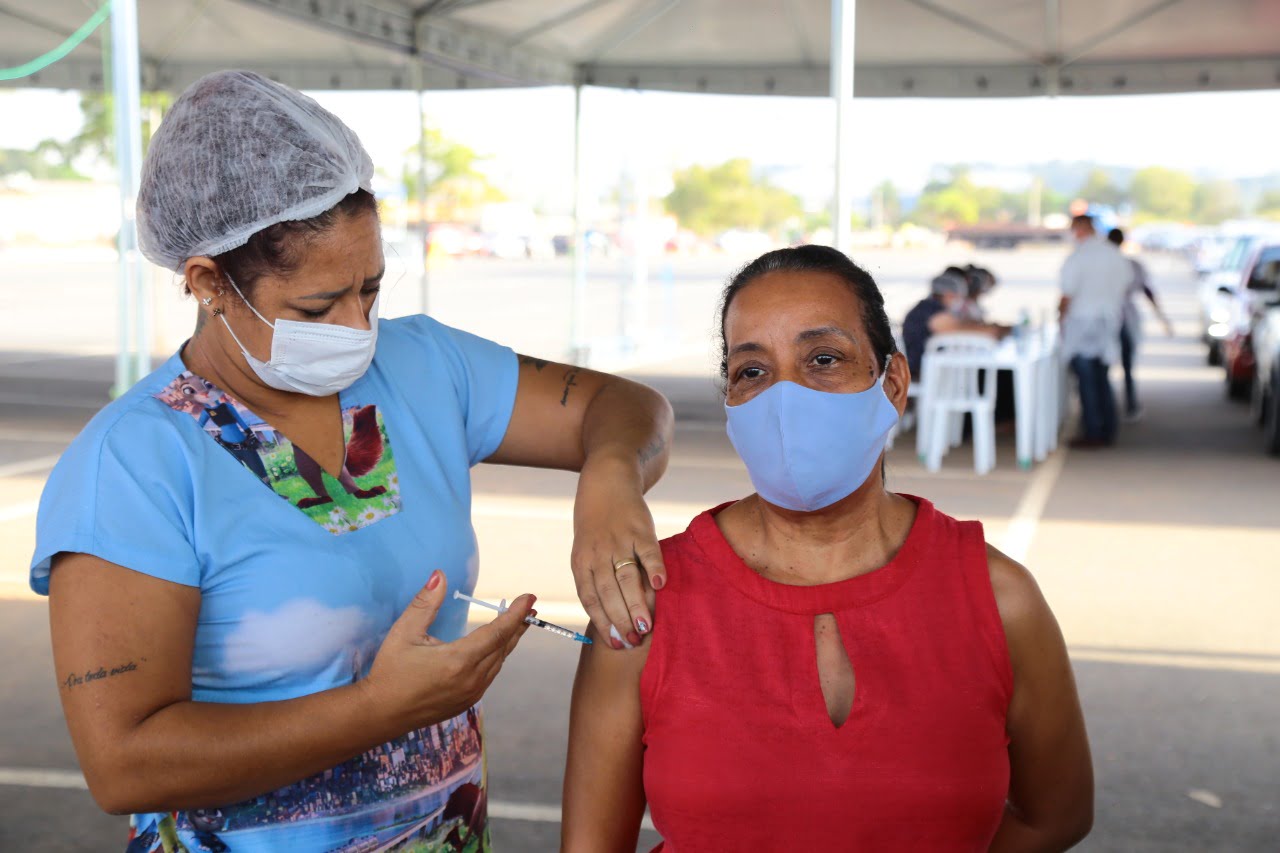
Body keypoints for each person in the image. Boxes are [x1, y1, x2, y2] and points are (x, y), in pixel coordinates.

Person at [32, 71, 673, 853]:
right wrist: (380, 708)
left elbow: (629, 409)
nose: (356, 326)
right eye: (315, 308)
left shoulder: (424, 367)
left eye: (369, 289)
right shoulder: (135, 463)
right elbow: (124, 765)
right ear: (208, 283)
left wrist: (609, 481)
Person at [562, 246, 1094, 852]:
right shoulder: (645, 600)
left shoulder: (1001, 599)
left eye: (823, 359)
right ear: (731, 401)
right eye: (752, 372)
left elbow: (1057, 815)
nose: (785, 402)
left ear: (892, 382)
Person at [1059, 214, 1131, 448]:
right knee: (1102, 376)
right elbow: (1125, 284)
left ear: (1080, 230)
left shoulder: (1079, 257)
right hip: (1108, 321)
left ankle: (1093, 430)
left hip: (1083, 323)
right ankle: (1107, 428)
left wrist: (1060, 318)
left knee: (1087, 379)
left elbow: (1067, 293)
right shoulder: (1114, 255)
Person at [1107, 227, 1174, 421]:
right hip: (1124, 318)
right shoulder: (1132, 264)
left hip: (1108, 317)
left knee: (1104, 365)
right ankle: (1129, 404)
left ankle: (1111, 406)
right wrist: (1163, 319)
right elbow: (1148, 292)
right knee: (1127, 365)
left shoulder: (1105, 265)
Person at [902, 270, 1010, 381]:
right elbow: (960, 330)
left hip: (933, 371)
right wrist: (994, 330)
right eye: (959, 296)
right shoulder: (929, 309)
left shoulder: (931, 308)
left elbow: (963, 325)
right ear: (949, 294)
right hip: (921, 374)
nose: (961, 301)